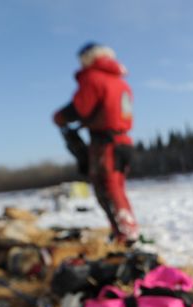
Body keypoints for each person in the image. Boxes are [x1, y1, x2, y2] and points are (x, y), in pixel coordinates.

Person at [53, 42, 139, 245]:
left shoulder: (93, 78)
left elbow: (81, 107)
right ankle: (128, 229)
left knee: (106, 188)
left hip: (105, 144)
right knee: (117, 188)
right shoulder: (120, 82)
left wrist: (60, 117)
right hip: (124, 140)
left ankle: (124, 234)